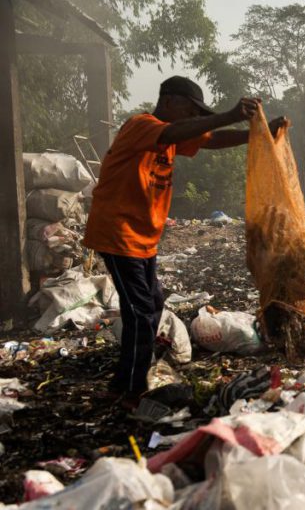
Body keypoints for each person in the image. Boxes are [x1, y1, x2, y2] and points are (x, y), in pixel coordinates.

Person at [83, 75, 283, 406]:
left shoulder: (174, 135)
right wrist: (230, 114)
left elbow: (211, 139)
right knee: (140, 313)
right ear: (169, 102)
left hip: (143, 237)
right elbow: (176, 133)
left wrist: (258, 133)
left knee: (153, 305)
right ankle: (129, 390)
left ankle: (131, 375)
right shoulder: (141, 126)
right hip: (118, 232)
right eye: (190, 111)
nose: (194, 118)